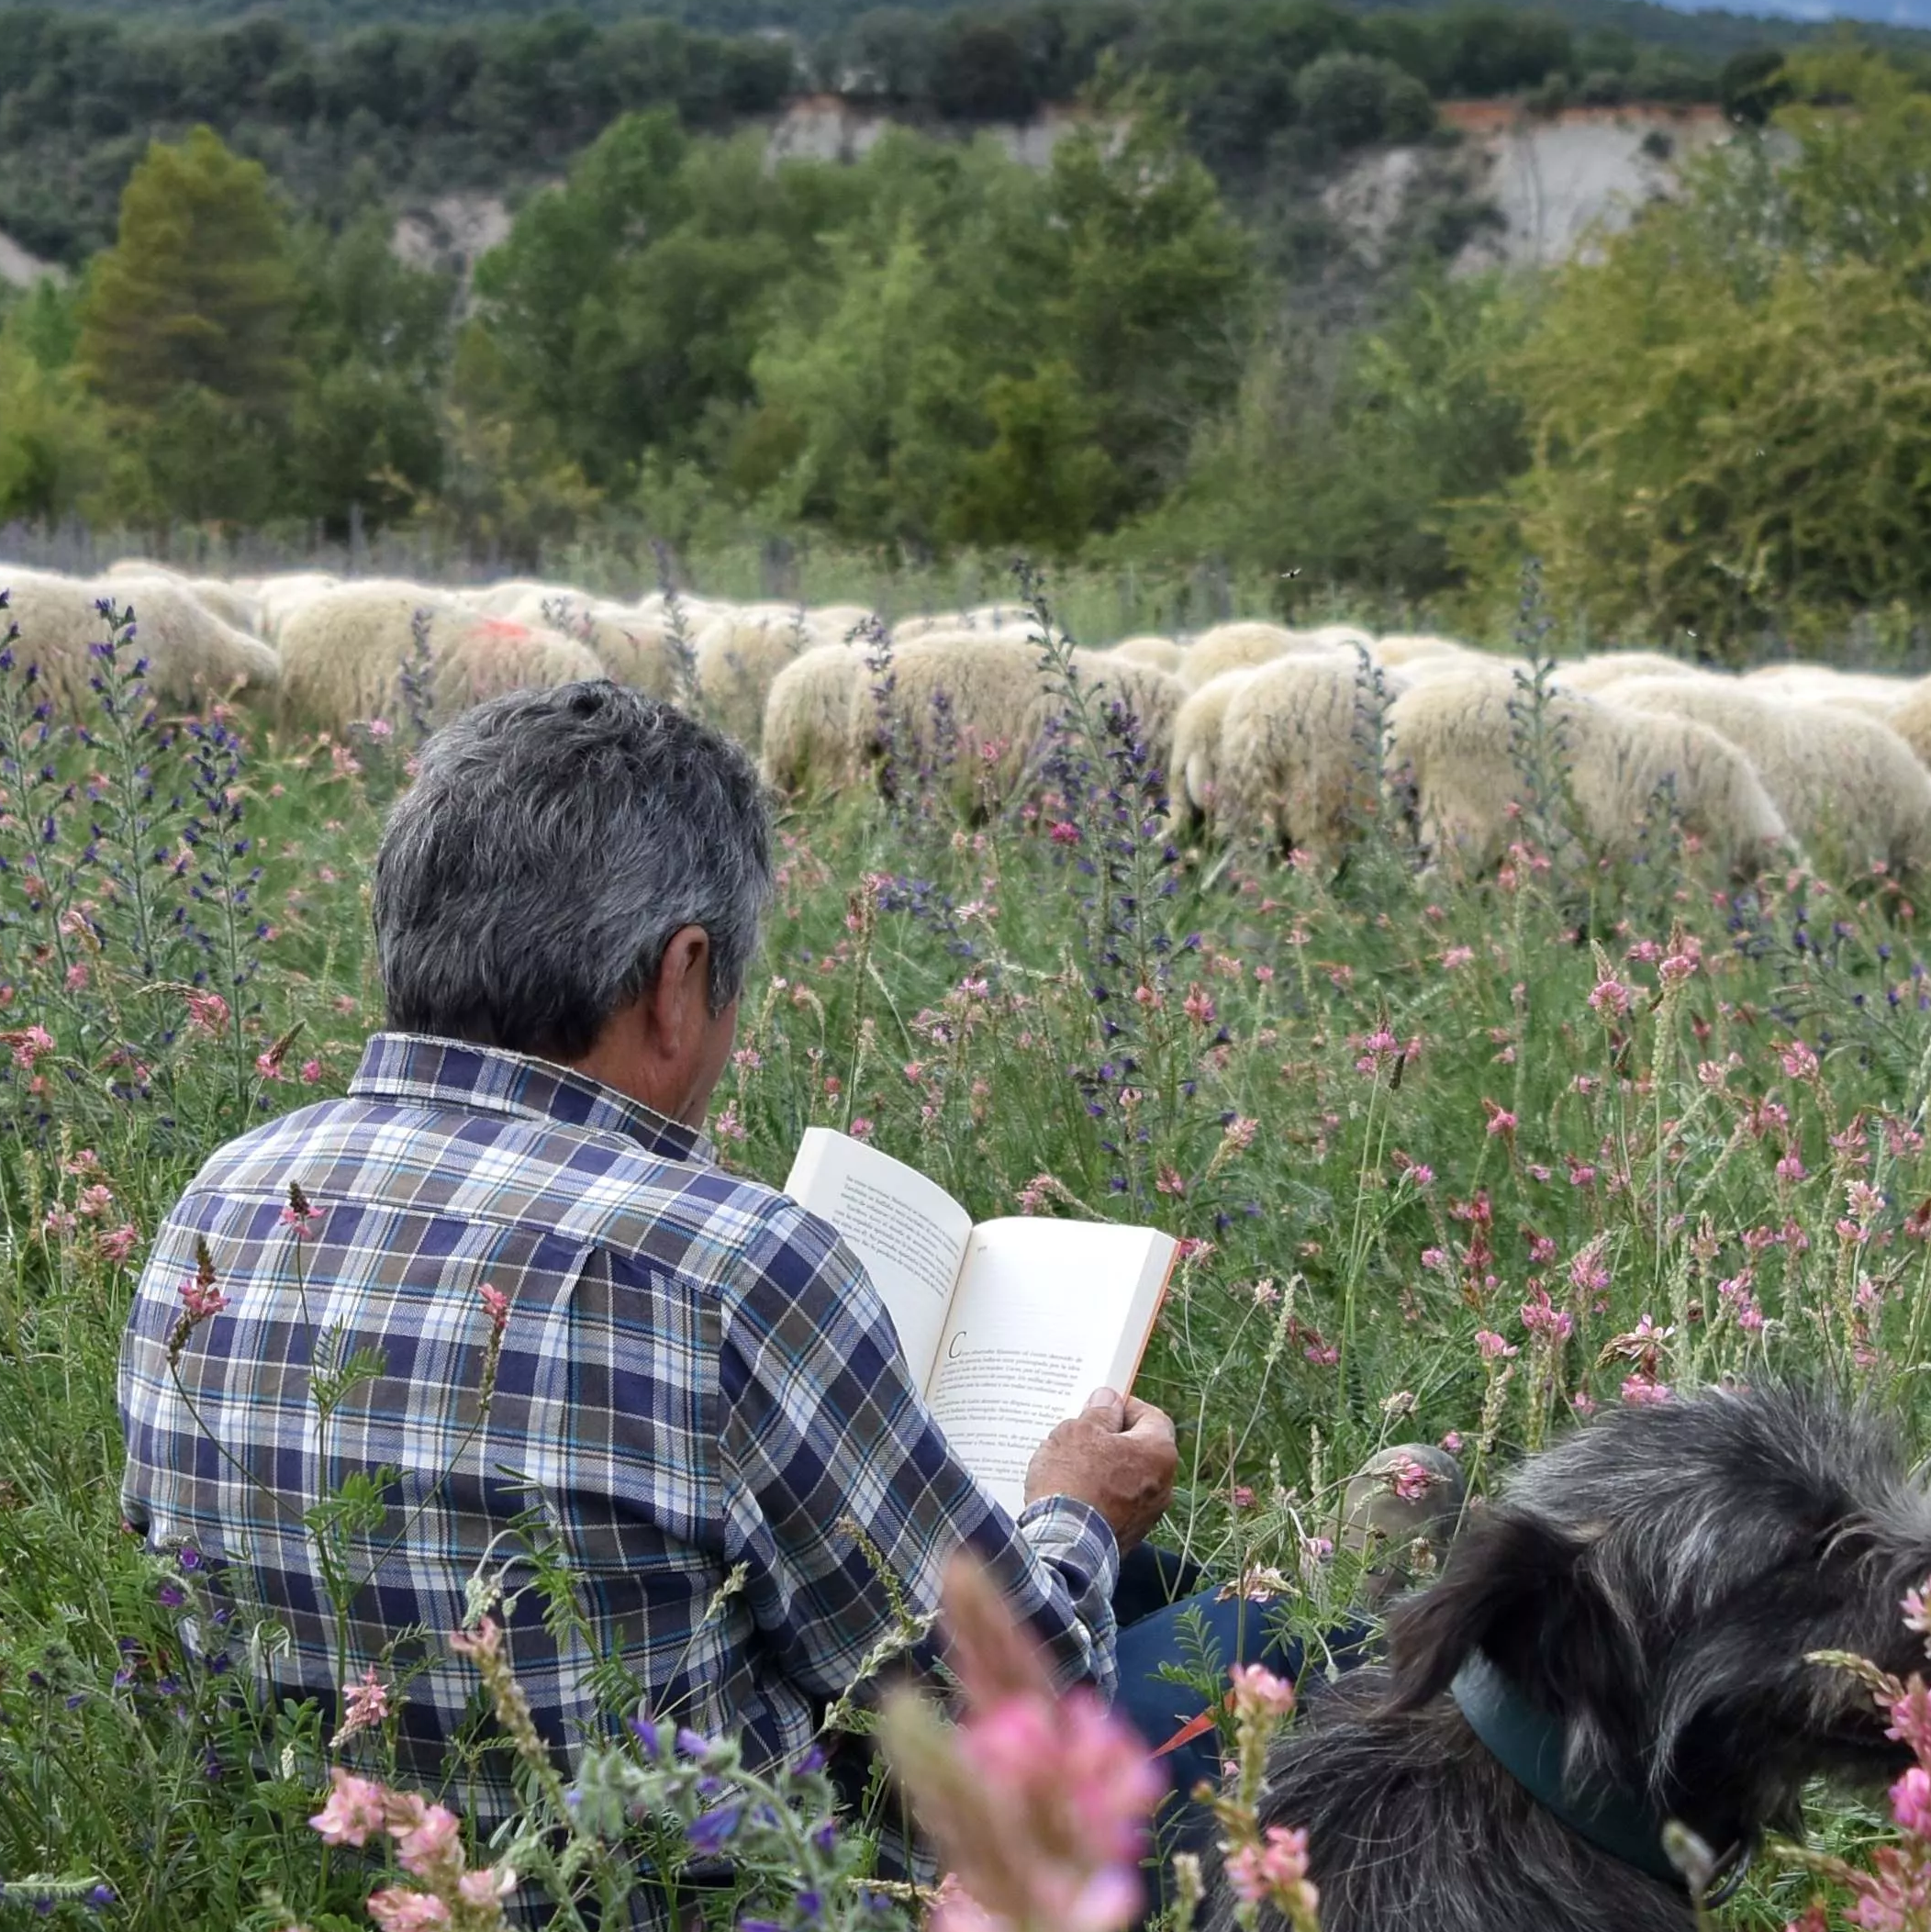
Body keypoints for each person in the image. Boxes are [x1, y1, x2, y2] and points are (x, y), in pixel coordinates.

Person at [120, 676, 1264, 1798]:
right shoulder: (726, 1264)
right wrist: (1078, 1509)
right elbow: (1016, 1717)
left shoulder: (219, 1196)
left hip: (321, 1886)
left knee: (1132, 1579)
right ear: (680, 976)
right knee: (1272, 1638)